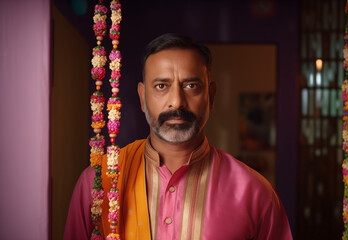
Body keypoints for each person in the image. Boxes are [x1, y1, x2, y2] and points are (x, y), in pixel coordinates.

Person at [64, 33, 292, 240]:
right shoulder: (98, 184)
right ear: (143, 98)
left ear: (211, 97)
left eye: (191, 85)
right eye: (161, 86)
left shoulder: (254, 192)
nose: (177, 101)